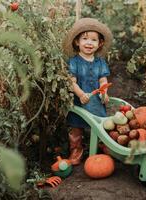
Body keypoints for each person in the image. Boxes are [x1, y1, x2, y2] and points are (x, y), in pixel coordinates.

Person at [62, 18, 113, 165]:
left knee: (99, 126)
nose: (89, 43)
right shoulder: (74, 61)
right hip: (80, 101)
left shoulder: (100, 62)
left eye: (93, 40)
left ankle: (101, 147)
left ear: (100, 43)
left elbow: (103, 81)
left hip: (95, 101)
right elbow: (71, 82)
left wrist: (104, 92)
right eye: (84, 39)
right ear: (77, 42)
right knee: (76, 128)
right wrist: (80, 94)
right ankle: (76, 150)